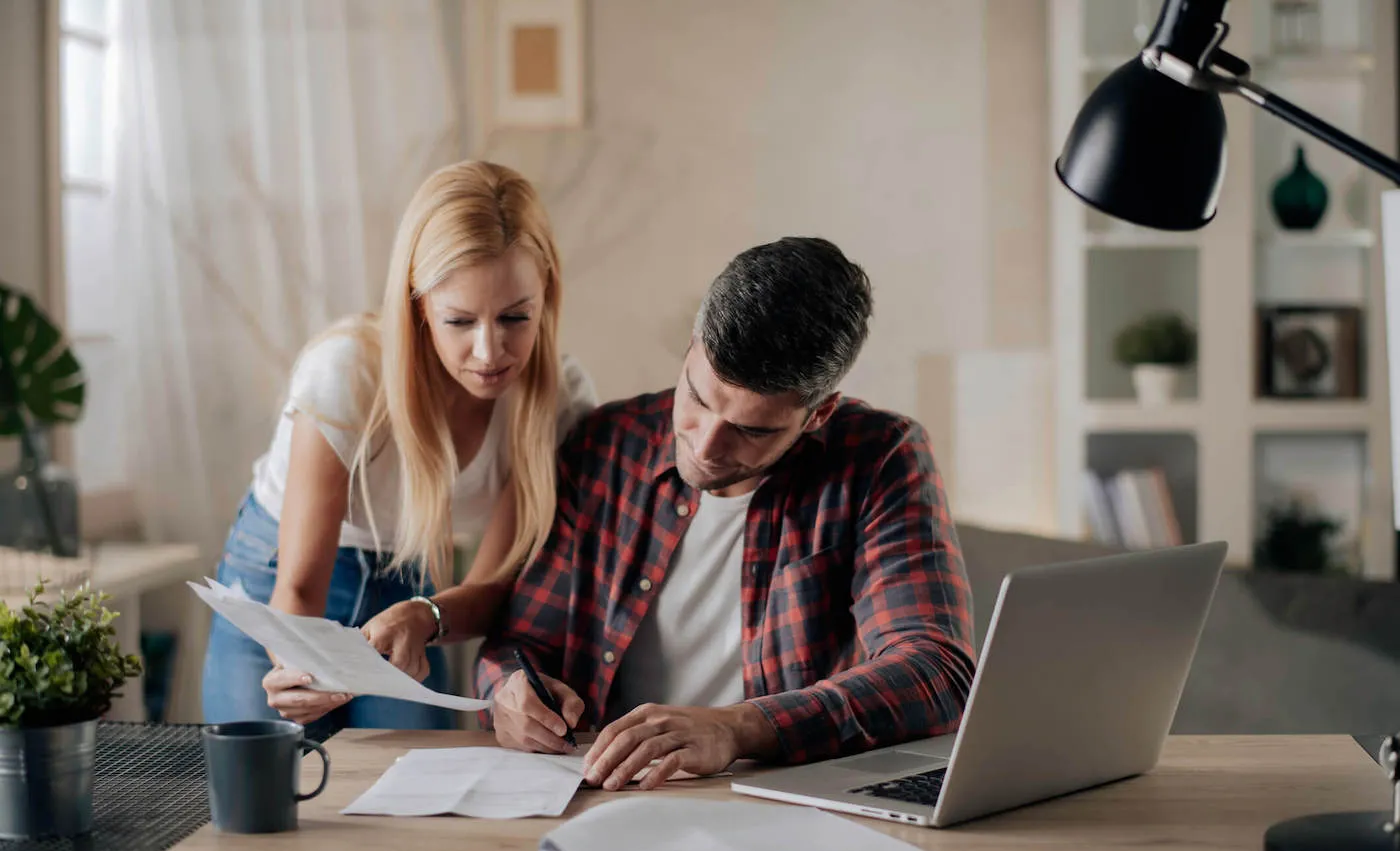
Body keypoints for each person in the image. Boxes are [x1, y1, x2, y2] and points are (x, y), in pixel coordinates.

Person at [471, 235, 977, 789]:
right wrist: (511, 691)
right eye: (697, 398)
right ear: (692, 348)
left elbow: (937, 673)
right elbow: (520, 643)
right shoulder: (604, 446)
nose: (706, 446)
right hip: (598, 791)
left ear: (818, 413)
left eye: (751, 429)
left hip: (785, 804)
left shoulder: (881, 457)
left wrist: (737, 728)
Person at [201, 160, 597, 735]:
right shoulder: (344, 374)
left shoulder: (556, 401)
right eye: (459, 320)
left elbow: (492, 589)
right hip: (280, 577)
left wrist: (427, 614)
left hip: (407, 584)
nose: (490, 352)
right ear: (418, 308)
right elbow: (300, 583)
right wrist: (294, 663)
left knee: (402, 789)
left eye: (516, 317)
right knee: (268, 783)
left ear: (548, 297)